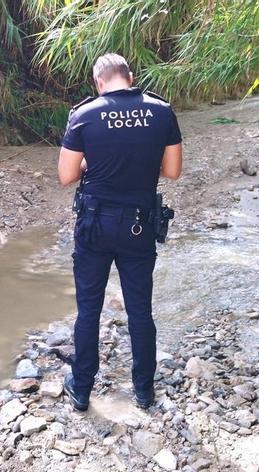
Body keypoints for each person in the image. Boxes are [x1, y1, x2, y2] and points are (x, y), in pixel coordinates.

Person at [56, 53, 183, 411]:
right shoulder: (161, 111)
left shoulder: (84, 115)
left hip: (95, 223)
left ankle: (81, 389)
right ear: (130, 76)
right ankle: (143, 391)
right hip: (140, 224)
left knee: (89, 310)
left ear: (98, 82)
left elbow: (66, 176)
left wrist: (92, 161)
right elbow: (173, 171)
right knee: (140, 310)